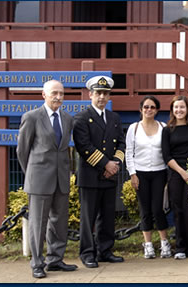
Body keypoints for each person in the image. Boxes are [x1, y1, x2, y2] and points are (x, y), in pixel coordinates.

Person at [17, 80, 77, 278]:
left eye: (61, 93)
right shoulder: (32, 117)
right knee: (38, 223)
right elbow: (22, 150)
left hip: (61, 178)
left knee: (59, 222)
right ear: (44, 95)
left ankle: (55, 260)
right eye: (54, 93)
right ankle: (37, 263)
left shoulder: (68, 118)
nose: (58, 97)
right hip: (39, 179)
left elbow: (65, 149)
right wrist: (32, 174)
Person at [73, 75, 126, 268]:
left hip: (109, 176)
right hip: (90, 176)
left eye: (105, 93)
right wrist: (106, 164)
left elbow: (121, 142)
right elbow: (84, 146)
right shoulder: (81, 118)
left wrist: (115, 164)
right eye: (98, 93)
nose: (102, 97)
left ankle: (105, 250)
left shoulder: (114, 118)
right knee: (88, 218)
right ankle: (87, 253)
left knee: (107, 215)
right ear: (90, 95)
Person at [125, 96, 172, 259]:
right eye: (146, 107)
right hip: (140, 173)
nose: (149, 110)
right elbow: (128, 152)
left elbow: (167, 152)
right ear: (141, 109)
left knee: (158, 208)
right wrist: (133, 174)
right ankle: (148, 244)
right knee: (145, 209)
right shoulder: (134, 128)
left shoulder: (163, 127)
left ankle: (164, 242)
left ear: (157, 110)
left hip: (159, 172)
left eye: (152, 107)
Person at [161, 95, 188, 259]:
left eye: (182, 107)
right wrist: (182, 172)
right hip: (176, 173)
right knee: (178, 210)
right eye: (176, 107)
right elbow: (166, 156)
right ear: (172, 110)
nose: (179, 110)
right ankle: (180, 247)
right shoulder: (167, 130)